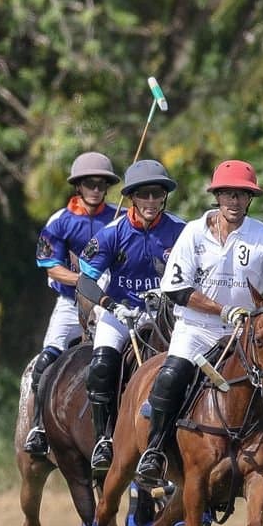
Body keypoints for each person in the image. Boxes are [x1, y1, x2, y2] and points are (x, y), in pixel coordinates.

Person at [134, 159, 263, 496]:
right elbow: (178, 290)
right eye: (227, 194)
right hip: (197, 327)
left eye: (241, 194)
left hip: (247, 332)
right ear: (217, 196)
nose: (234, 201)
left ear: (249, 199)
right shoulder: (193, 233)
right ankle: (154, 454)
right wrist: (225, 310)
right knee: (170, 376)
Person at [75, 160, 186, 476]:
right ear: (132, 197)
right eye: (144, 194)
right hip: (122, 312)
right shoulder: (113, 234)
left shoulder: (181, 231)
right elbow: (85, 280)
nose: (151, 201)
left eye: (157, 194)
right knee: (101, 364)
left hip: (167, 313)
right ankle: (103, 439)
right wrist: (111, 304)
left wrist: (172, 295)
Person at [23, 152, 121, 456]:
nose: (95, 189)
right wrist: (82, 282)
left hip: (112, 304)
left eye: (101, 184)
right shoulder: (60, 221)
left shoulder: (120, 217)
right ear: (78, 186)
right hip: (70, 304)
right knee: (46, 359)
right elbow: (51, 266)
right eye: (89, 183)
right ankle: (39, 428)